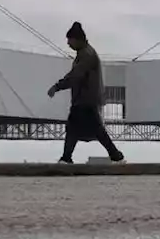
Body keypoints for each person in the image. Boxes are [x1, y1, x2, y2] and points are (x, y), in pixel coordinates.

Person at [47, 21, 124, 164]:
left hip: (85, 100)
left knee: (80, 129)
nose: (68, 44)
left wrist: (57, 87)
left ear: (77, 39)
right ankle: (115, 156)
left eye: (69, 40)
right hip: (85, 100)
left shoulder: (86, 55)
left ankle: (67, 158)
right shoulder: (84, 53)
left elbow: (75, 75)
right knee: (87, 129)